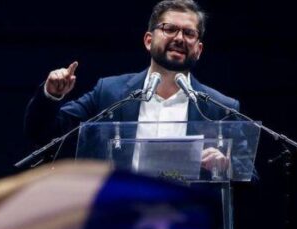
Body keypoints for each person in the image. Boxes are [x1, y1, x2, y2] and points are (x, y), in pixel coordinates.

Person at [24, 0, 238, 172]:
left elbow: (248, 173)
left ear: (199, 49)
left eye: (189, 33)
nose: (179, 38)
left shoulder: (220, 108)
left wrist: (226, 166)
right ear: (148, 40)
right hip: (119, 217)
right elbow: (44, 135)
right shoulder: (109, 93)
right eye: (169, 29)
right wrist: (51, 94)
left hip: (185, 220)